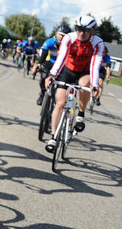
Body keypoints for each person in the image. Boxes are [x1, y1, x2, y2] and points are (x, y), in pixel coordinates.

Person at [45, 15, 104, 153]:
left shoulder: (98, 43)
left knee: (85, 83)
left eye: (85, 30)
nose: (81, 33)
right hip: (68, 70)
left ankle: (80, 115)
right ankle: (53, 137)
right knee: (60, 103)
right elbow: (61, 58)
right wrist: (52, 75)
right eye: (79, 29)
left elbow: (95, 64)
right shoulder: (69, 38)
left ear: (93, 31)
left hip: (84, 71)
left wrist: (94, 84)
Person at [33, 24, 71, 105]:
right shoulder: (49, 42)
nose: (61, 37)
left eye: (64, 35)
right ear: (56, 33)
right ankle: (42, 94)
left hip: (62, 66)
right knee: (43, 78)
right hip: (49, 63)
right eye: (60, 34)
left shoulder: (69, 45)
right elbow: (44, 53)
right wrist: (39, 63)